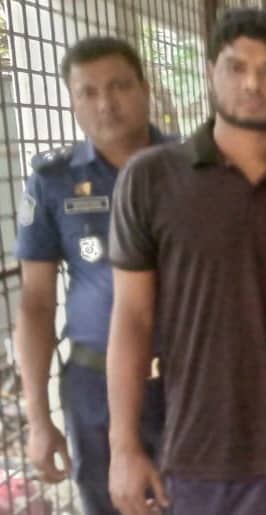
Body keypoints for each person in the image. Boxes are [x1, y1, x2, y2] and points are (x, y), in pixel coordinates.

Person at [105, 9, 266, 515]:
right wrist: (124, 446)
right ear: (210, 72)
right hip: (205, 455)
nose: (253, 83)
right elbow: (132, 318)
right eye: (237, 67)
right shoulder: (151, 179)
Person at [14, 36, 168, 515]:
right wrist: (39, 419)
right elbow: (36, 304)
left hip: (188, 379)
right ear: (73, 101)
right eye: (88, 92)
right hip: (94, 385)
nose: (106, 103)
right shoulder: (53, 181)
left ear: (144, 89)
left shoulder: (192, 167)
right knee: (110, 503)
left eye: (119, 86)